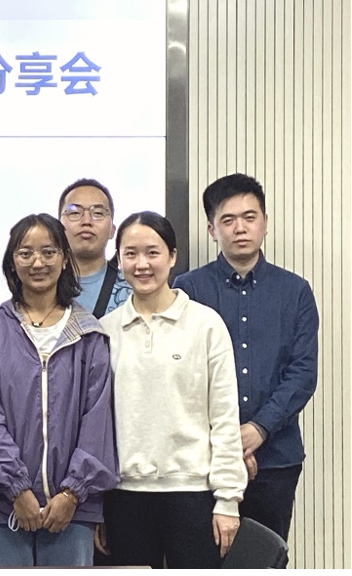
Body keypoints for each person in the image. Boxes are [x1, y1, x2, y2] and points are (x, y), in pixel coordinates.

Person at [173, 173, 319, 542]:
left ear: (264, 223)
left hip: (276, 459)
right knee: (203, 559)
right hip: (203, 460)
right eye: (228, 219)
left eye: (249, 217)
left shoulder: (295, 291)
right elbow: (181, 375)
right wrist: (227, 443)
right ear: (212, 229)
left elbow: (302, 373)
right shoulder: (188, 290)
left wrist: (258, 430)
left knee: (264, 556)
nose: (240, 228)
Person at [0, 213, 118, 567]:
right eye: (25, 253)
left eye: (49, 252)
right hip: (1, 505)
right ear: (12, 262)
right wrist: (16, 488)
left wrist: (72, 493)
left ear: (64, 259)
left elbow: (97, 422)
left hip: (72, 509)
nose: (37, 263)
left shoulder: (90, 335)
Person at [99, 211, 247, 568]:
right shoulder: (105, 331)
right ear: (119, 260)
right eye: (131, 254)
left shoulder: (206, 324)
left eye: (152, 252)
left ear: (172, 256)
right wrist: (95, 505)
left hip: (193, 493)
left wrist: (228, 500)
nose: (142, 264)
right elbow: (96, 424)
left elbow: (224, 416)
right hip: (124, 496)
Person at [58, 178, 131, 318]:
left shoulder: (132, 289)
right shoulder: (42, 285)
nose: (86, 221)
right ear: (58, 227)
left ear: (112, 230)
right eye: (74, 213)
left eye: (98, 213)